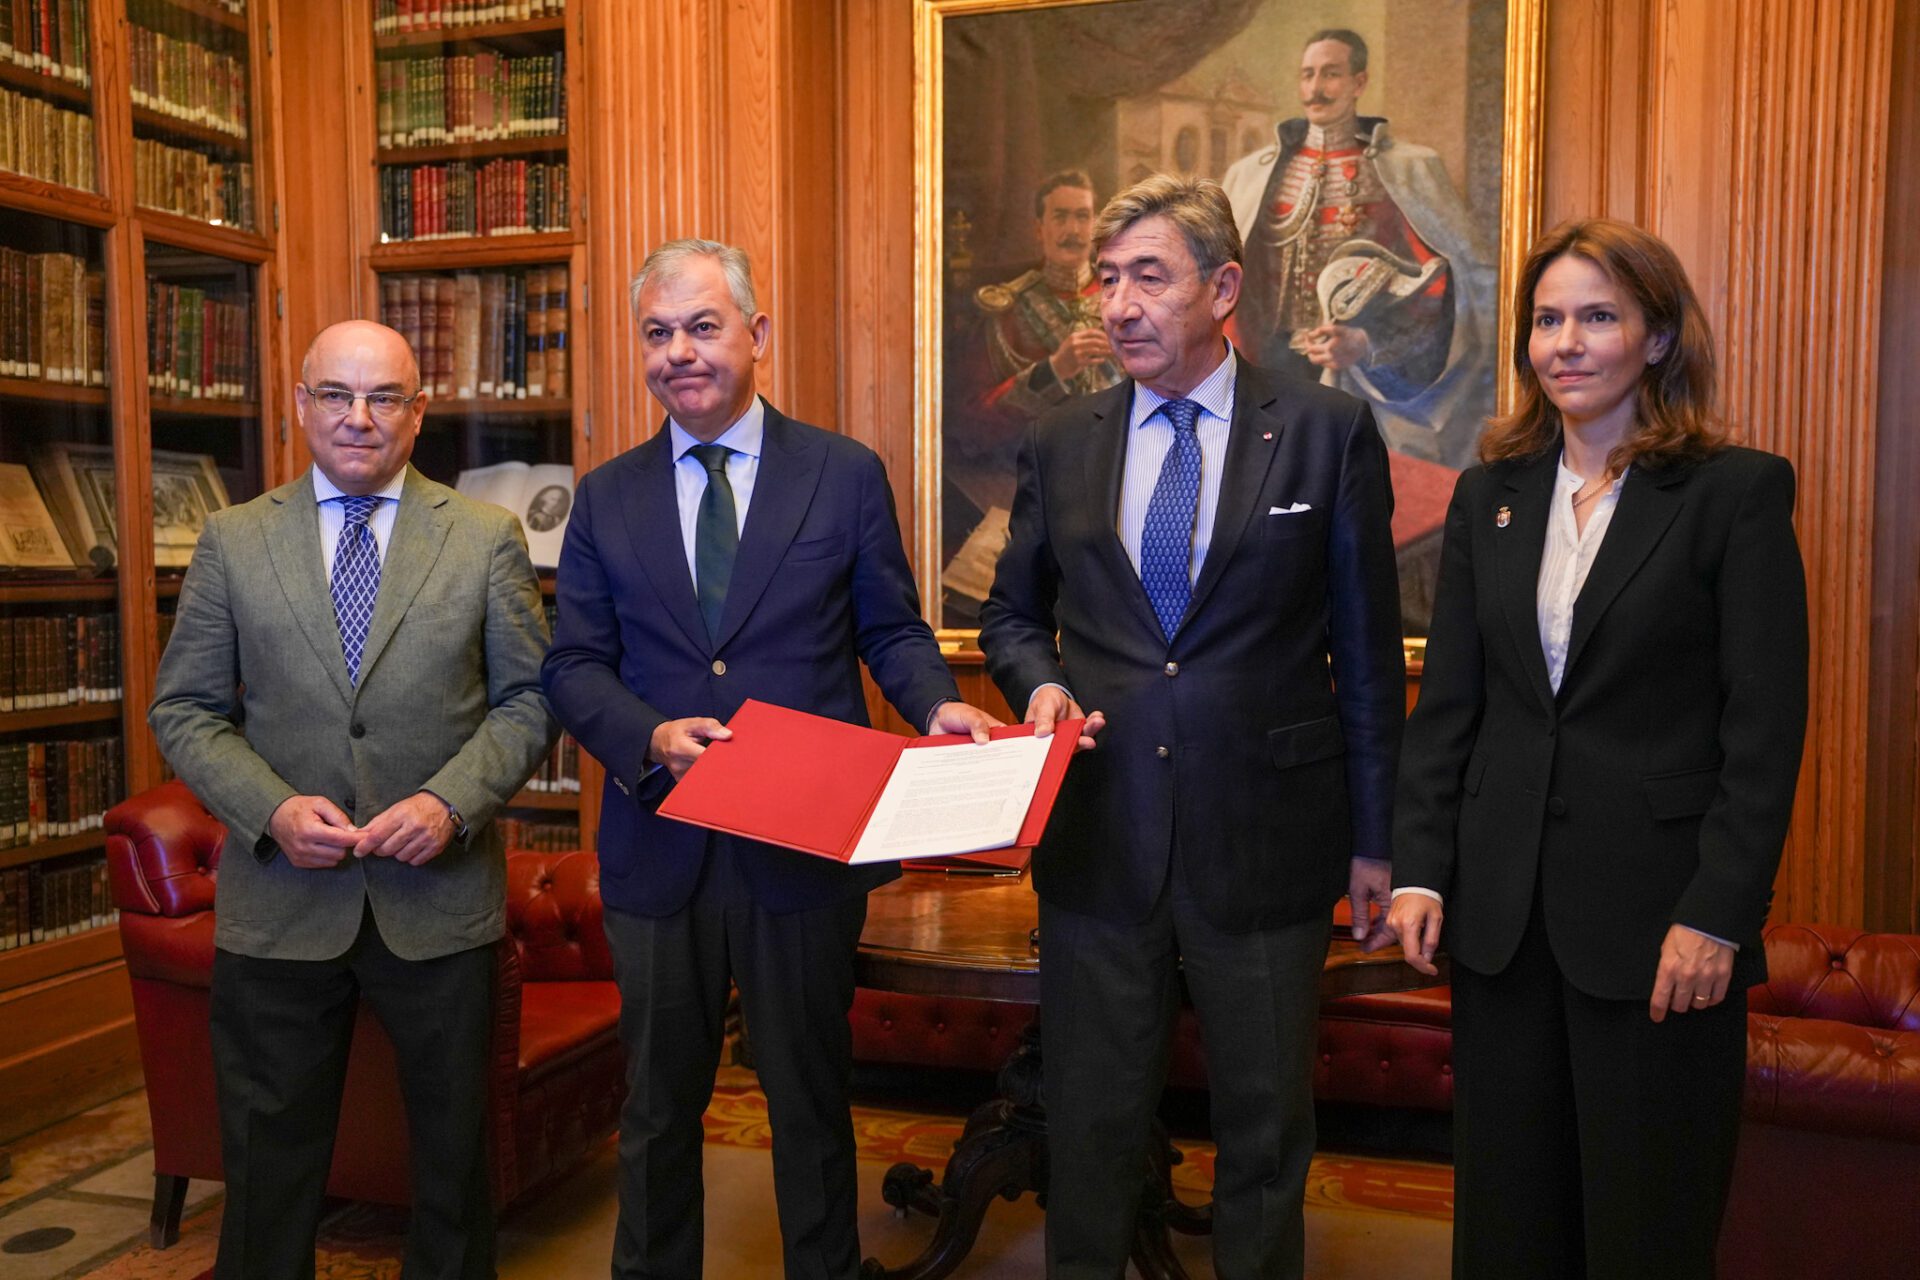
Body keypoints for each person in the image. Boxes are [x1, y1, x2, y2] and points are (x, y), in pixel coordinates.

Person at [541, 238, 1000, 1280]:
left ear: (757, 334)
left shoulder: (841, 473)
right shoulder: (606, 496)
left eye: (702, 327)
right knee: (657, 1111)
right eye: (658, 333)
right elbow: (572, 665)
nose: (679, 352)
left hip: (802, 843)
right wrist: (648, 736)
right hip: (661, 847)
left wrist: (937, 705)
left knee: (808, 1102)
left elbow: (890, 629)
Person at [978, 174, 1404, 1278]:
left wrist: (1377, 841)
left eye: (1148, 277)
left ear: (1221, 288)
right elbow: (1012, 615)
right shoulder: (1061, 440)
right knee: (1089, 1128)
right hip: (1101, 838)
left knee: (1264, 1134)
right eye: (1106, 278)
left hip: (1266, 839)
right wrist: (1037, 685)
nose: (1119, 305)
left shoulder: (1324, 432)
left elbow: (1365, 653)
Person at [1386, 218, 1809, 1278]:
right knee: (1508, 1229)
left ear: (1657, 337)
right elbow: (1451, 707)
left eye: (1597, 316)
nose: (1565, 343)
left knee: (1643, 1230)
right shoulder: (1489, 496)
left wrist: (1717, 913)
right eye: (1546, 320)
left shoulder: (1735, 492)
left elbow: (1764, 731)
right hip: (1502, 922)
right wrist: (1422, 869)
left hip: (1660, 929)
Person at [149, 319, 558, 1280]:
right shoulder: (234, 540)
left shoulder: (485, 539)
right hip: (281, 906)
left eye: (384, 398)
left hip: (438, 903)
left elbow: (533, 699)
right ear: (302, 405)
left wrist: (451, 804)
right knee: (267, 1169)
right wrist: (271, 811)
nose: (358, 418)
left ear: (418, 412)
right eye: (336, 394)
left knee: (454, 1167)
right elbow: (186, 709)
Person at [1221, 27, 1497, 471]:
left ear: (1359, 82)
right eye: (1308, 75)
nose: (1316, 88)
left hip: (1364, 378)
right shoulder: (1252, 174)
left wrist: (1368, 343)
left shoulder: (1409, 169)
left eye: (1331, 74)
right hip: (1268, 369)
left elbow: (1439, 288)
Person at [972, 169, 1122, 423]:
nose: (1072, 229)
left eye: (1082, 216)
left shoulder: (1125, 297)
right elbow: (978, 415)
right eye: (1060, 217)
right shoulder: (1010, 308)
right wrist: (1054, 370)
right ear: (1039, 229)